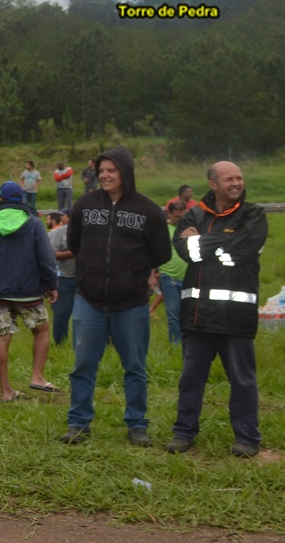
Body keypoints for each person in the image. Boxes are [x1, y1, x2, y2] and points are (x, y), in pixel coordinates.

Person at [60, 146, 171, 446]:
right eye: (101, 171)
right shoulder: (84, 205)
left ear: (125, 172)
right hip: (89, 300)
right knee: (83, 365)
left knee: (134, 367)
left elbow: (161, 252)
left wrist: (134, 276)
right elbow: (75, 243)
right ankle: (78, 423)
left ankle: (137, 425)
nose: (105, 175)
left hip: (131, 304)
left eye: (112, 170)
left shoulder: (148, 210)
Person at [168, 162, 267, 457]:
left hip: (235, 317)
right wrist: (222, 242)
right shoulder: (193, 215)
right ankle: (184, 432)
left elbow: (241, 251)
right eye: (229, 179)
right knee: (190, 380)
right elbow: (186, 252)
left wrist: (199, 242)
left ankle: (247, 438)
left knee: (243, 381)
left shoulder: (253, 214)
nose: (236, 183)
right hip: (197, 314)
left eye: (239, 178)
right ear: (213, 184)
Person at [0, 181, 59, 401]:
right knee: (41, 331)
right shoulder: (34, 223)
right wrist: (52, 285)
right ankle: (37, 376)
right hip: (30, 290)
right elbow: (47, 258)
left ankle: (6, 391)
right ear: (21, 199)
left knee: (2, 337)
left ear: (1, 199)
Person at [149, 200, 188, 345]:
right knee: (173, 312)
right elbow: (153, 252)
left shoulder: (189, 229)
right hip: (169, 276)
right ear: (169, 214)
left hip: (189, 277)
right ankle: (176, 343)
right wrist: (152, 274)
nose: (180, 220)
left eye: (182, 216)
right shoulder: (163, 230)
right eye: (177, 216)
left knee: (187, 313)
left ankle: (188, 342)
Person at [47, 211, 76, 345]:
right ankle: (60, 344)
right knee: (61, 315)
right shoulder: (58, 233)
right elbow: (52, 254)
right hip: (64, 279)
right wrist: (74, 251)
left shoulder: (90, 232)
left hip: (87, 280)